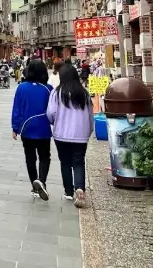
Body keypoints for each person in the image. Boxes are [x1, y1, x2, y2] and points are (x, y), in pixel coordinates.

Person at [47, 64, 94, 208]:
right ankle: (80, 188)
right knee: (78, 162)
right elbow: (90, 116)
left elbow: (51, 113)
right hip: (80, 135)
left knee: (65, 163)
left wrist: (53, 122)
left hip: (61, 135)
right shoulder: (84, 93)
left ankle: (68, 192)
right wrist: (89, 131)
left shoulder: (56, 93)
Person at [11, 59, 54, 201]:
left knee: (30, 158)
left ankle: (35, 186)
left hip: (27, 128)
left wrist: (15, 127)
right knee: (44, 157)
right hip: (43, 129)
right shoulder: (48, 89)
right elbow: (53, 111)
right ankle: (41, 181)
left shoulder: (22, 87)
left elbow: (17, 109)